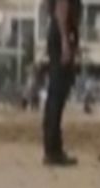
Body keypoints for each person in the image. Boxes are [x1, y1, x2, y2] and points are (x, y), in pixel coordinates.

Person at [41, 0, 81, 166]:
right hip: (60, 35)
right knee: (57, 93)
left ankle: (53, 147)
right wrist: (65, 40)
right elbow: (61, 7)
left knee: (56, 94)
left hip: (58, 33)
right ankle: (53, 149)